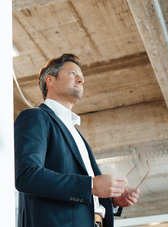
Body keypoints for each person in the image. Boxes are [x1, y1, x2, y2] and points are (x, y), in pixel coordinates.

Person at [14, 53, 140, 227]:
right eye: (73, 74)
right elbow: (27, 176)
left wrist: (109, 197)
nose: (81, 80)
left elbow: (83, 192)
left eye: (82, 77)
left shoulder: (75, 132)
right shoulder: (35, 117)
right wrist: (90, 186)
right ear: (50, 80)